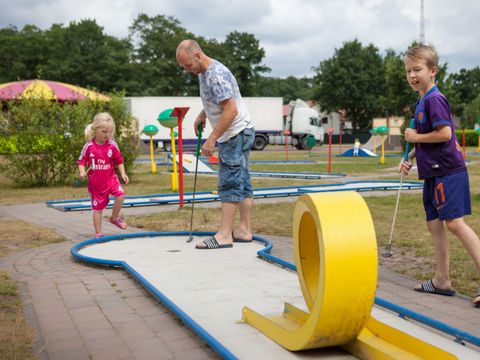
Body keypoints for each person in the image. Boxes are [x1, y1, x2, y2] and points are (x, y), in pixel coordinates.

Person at [400, 44, 480, 308]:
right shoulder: (421, 100)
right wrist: (410, 158)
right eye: (408, 70)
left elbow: (445, 134)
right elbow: (428, 142)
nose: (412, 75)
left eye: (418, 69)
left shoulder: (435, 99)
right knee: (434, 224)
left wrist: (414, 137)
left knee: (454, 224)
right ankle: (442, 280)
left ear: (433, 71)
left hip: (448, 172)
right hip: (433, 173)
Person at [176, 39, 255, 250]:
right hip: (242, 130)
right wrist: (204, 114)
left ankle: (224, 235)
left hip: (234, 133)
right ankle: (244, 230)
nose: (187, 70)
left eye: (188, 65)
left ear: (198, 56)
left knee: (229, 181)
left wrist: (212, 138)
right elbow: (219, 101)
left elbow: (231, 110)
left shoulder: (215, 75)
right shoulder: (204, 72)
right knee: (243, 182)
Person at [77, 112, 129, 239]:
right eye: (104, 131)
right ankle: (98, 233)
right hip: (96, 184)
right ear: (95, 129)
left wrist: (123, 173)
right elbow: (81, 161)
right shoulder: (89, 147)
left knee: (121, 196)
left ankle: (114, 217)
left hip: (111, 179)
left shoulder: (112, 145)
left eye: (110, 132)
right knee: (97, 209)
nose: (107, 134)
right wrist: (82, 171)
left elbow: (119, 160)